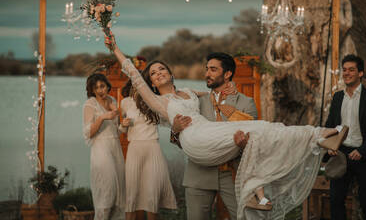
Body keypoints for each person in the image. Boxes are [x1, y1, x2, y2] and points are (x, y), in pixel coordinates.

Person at [104, 33, 348, 220]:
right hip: (198, 154)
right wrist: (114, 48)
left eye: (161, 69)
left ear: (227, 75)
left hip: (228, 169)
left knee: (263, 127)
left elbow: (217, 99)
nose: (157, 73)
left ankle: (320, 137)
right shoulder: (159, 101)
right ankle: (318, 138)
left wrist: (228, 98)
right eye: (153, 73)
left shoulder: (195, 94)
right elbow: (135, 76)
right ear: (152, 83)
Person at [170, 52, 259, 219]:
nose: (207, 74)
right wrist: (175, 131)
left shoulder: (246, 103)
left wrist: (243, 144)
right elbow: (183, 142)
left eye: (213, 69)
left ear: (227, 74)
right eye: (206, 69)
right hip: (198, 173)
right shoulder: (196, 104)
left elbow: (256, 141)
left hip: (233, 174)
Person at [119, 81, 177, 220]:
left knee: (152, 194)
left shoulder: (154, 101)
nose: (138, 87)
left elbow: (169, 118)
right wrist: (122, 125)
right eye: (135, 84)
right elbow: (122, 129)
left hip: (153, 148)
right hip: (134, 148)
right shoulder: (126, 102)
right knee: (132, 193)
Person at [325, 54, 366, 220]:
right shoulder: (337, 97)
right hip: (341, 155)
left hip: (364, 156)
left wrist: (363, 151)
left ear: (360, 73)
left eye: (351, 70)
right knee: (336, 201)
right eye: (344, 70)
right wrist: (331, 146)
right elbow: (330, 126)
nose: (347, 73)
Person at [82, 73, 125, 220]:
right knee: (107, 190)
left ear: (107, 86)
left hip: (115, 149)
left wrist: (123, 123)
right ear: (92, 90)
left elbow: (116, 131)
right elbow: (88, 133)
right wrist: (102, 117)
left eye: (102, 86)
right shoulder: (90, 104)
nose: (100, 90)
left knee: (120, 193)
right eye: (96, 88)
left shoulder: (112, 101)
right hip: (101, 150)